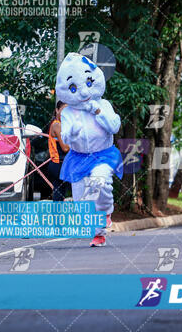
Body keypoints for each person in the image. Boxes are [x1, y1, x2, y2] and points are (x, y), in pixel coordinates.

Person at [56, 53, 123, 248]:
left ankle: (107, 211)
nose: (83, 92)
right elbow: (66, 137)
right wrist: (72, 132)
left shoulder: (103, 104)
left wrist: (97, 111)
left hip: (103, 155)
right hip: (78, 158)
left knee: (100, 184)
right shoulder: (68, 112)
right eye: (74, 87)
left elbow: (114, 127)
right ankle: (98, 234)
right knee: (82, 204)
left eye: (87, 83)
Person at [47, 101, 70, 201]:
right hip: (58, 164)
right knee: (58, 195)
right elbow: (65, 148)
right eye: (64, 109)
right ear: (57, 110)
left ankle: (58, 215)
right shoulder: (57, 125)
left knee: (60, 194)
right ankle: (56, 216)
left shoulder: (63, 124)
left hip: (62, 164)